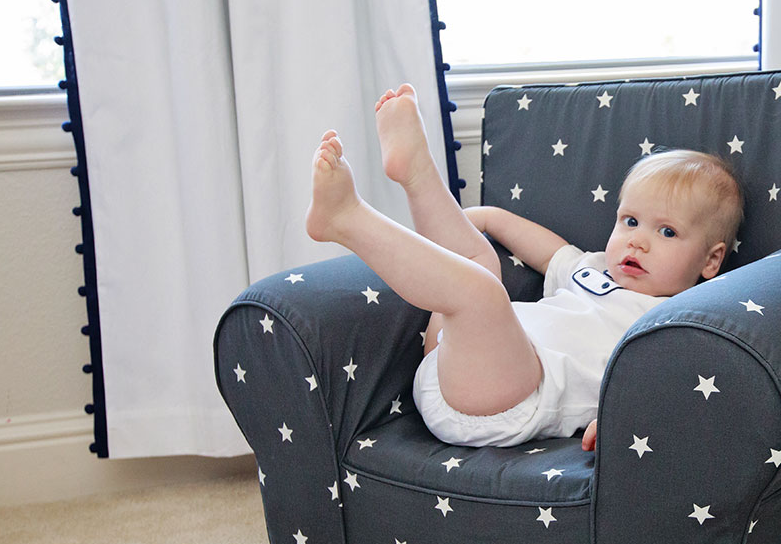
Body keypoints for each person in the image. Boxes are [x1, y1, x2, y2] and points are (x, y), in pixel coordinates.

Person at [305, 84, 744, 451]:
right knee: (479, 262)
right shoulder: (592, 269)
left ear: (710, 260)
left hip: (512, 401)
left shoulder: (681, 318)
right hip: (453, 360)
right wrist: (490, 217)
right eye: (629, 221)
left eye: (666, 232)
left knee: (480, 290)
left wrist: (624, 423)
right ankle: (417, 175)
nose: (637, 240)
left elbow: (676, 389)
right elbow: (547, 251)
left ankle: (347, 220)